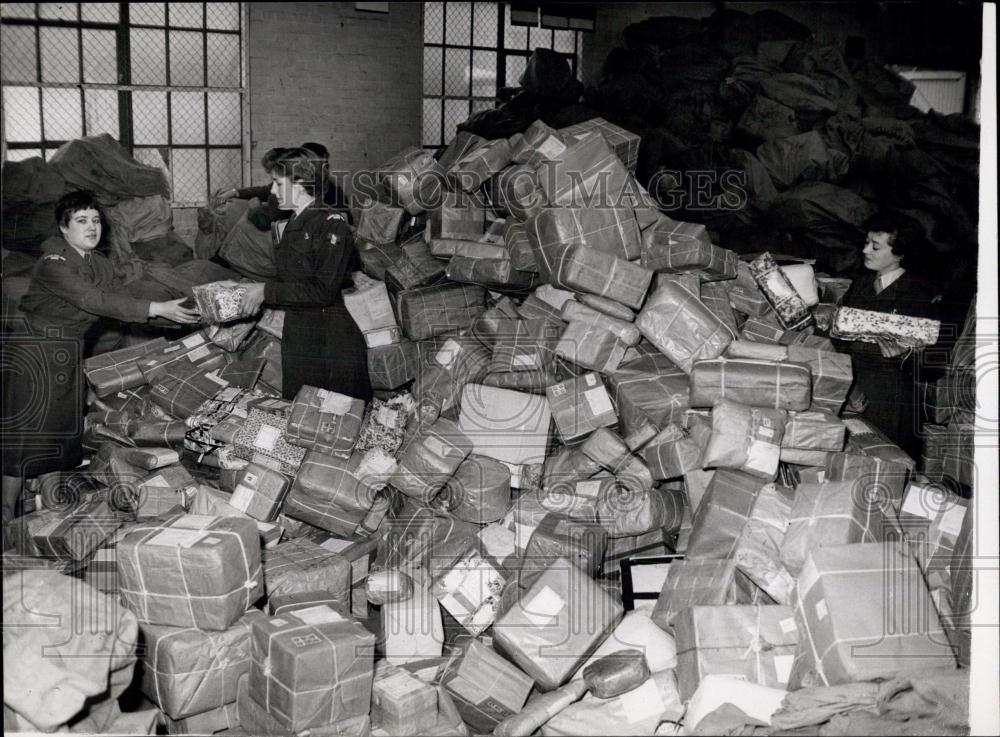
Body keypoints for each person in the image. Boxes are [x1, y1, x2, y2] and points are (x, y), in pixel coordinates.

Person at [1, 191, 199, 531]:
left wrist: (181, 316)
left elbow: (121, 300)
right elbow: (95, 300)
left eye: (95, 220)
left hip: (67, 354)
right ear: (64, 228)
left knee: (60, 431)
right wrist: (157, 309)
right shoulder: (52, 264)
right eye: (81, 220)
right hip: (35, 354)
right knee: (26, 436)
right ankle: (5, 509)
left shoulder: (98, 263)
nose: (91, 227)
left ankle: (51, 502)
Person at [226, 147, 372, 403]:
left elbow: (322, 290)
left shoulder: (331, 223)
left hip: (329, 342)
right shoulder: (292, 222)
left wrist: (265, 291)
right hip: (301, 333)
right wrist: (251, 289)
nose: (271, 191)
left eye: (277, 183)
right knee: (299, 413)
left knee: (326, 420)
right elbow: (293, 282)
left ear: (300, 184)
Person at [835, 211, 939, 459]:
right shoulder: (859, 284)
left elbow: (933, 364)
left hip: (890, 397)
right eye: (866, 243)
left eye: (875, 246)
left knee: (884, 464)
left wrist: (903, 355)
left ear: (900, 254)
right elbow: (839, 338)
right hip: (851, 388)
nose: (865, 250)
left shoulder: (920, 294)